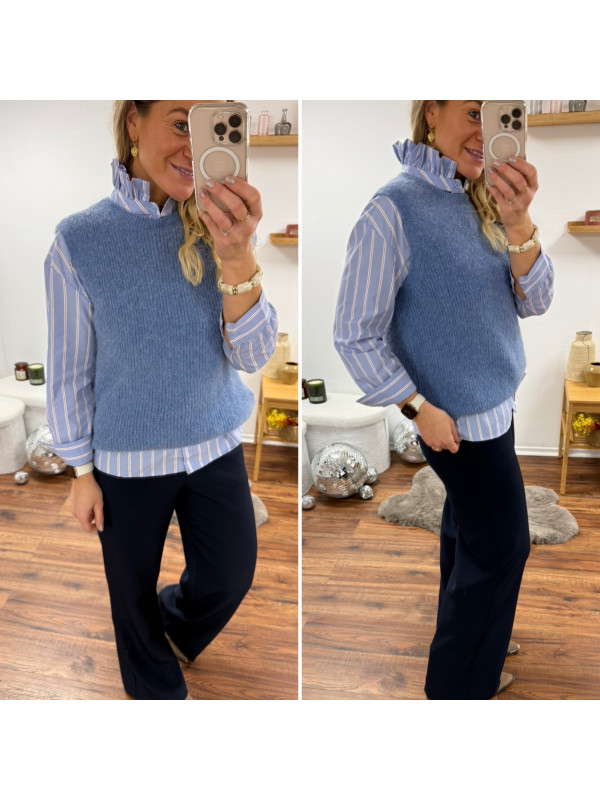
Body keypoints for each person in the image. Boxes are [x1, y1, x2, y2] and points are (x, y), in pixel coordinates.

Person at [44, 101, 278, 700]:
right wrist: (80, 472)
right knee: (129, 597)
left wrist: (237, 254)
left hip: (213, 443)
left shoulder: (223, 224)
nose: (194, 148)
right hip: (125, 461)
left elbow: (253, 355)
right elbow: (69, 369)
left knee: (230, 574)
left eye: (208, 127)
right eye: (180, 123)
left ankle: (171, 625)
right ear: (133, 122)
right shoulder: (78, 240)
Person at [334, 101, 554, 700]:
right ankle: (458, 686)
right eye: (473, 111)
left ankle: (480, 634)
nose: (488, 131)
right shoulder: (392, 211)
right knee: (502, 547)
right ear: (432, 112)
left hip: (496, 404)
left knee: (467, 533)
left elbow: (534, 301)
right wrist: (415, 408)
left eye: (499, 113)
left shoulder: (487, 197)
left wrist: (519, 222)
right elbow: (354, 333)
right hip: (453, 421)